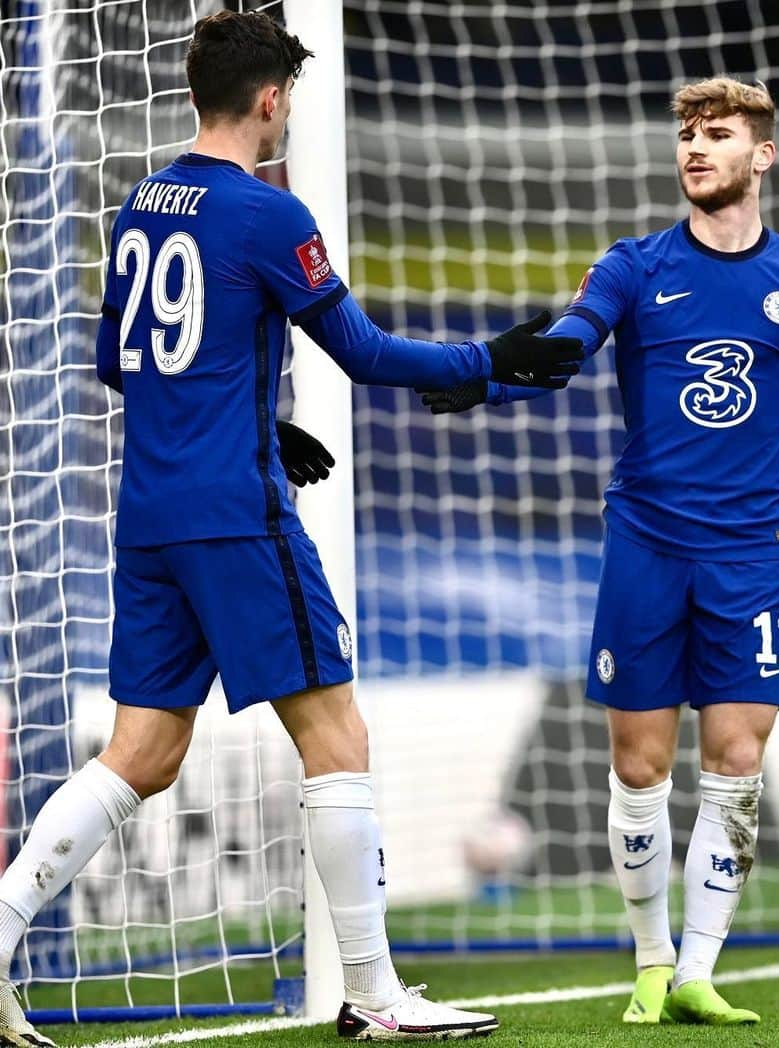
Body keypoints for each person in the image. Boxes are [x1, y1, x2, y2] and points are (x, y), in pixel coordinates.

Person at [0, 11, 584, 1045]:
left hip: (149, 518)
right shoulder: (270, 213)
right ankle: (374, 994)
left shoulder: (140, 204)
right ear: (272, 99)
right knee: (338, 737)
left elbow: (118, 362)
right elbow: (360, 352)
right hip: (237, 512)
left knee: (140, 752)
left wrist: (253, 406)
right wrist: (489, 362)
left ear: (194, 90)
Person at [419, 77, 779, 1026]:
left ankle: (699, 969)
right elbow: (571, 344)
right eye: (688, 136)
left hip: (752, 553)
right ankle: (652, 960)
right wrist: (486, 380)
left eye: (719, 134)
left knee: (738, 756)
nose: (696, 149)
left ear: (763, 156)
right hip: (648, 544)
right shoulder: (633, 264)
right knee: (640, 768)